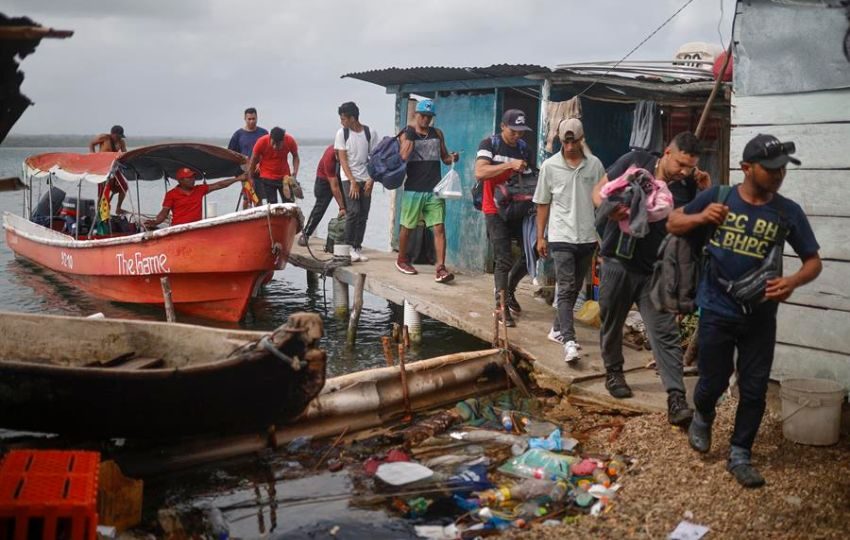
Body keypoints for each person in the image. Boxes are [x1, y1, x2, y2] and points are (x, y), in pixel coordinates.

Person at [668, 134, 821, 488]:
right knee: (713, 382)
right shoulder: (718, 197)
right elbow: (673, 222)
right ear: (747, 168)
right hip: (718, 311)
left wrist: (794, 281)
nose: (778, 175)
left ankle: (740, 453)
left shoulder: (786, 212)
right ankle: (703, 415)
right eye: (770, 169)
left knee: (753, 389)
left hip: (761, 317)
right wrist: (701, 216)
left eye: (782, 169)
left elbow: (813, 261)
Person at [591, 131, 711, 426]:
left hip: (655, 270)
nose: (683, 172)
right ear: (668, 152)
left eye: (690, 167)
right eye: (681, 164)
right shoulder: (635, 162)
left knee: (665, 332)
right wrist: (611, 209)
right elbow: (597, 193)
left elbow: (689, 225)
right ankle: (614, 372)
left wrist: (707, 192)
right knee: (612, 322)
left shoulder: (687, 186)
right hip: (618, 261)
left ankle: (676, 397)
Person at [534, 118, 604, 363]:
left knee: (573, 287)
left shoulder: (595, 165)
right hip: (560, 236)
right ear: (561, 141)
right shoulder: (550, 167)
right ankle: (570, 341)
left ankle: (556, 329)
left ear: (581, 139)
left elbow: (602, 201)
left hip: (586, 237)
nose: (570, 146)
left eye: (574, 141)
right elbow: (543, 203)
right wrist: (540, 237)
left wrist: (603, 238)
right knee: (565, 287)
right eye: (566, 141)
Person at [474, 109, 535, 327]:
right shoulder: (489, 144)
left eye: (521, 132)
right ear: (502, 127)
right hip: (494, 209)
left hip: (519, 208)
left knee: (533, 252)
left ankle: (509, 290)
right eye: (513, 131)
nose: (517, 136)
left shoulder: (524, 149)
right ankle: (501, 307)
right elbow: (480, 172)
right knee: (503, 259)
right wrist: (509, 165)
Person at [396, 99, 459, 282]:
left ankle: (440, 268)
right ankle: (401, 259)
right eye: (423, 116)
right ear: (416, 115)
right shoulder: (407, 133)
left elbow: (445, 158)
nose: (426, 120)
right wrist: (410, 135)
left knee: (439, 227)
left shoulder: (437, 133)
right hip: (413, 189)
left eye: (429, 117)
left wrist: (453, 158)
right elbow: (403, 157)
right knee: (407, 227)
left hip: (434, 189)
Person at [334, 101, 376, 262]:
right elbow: (343, 160)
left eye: (343, 118)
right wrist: (352, 181)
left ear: (352, 118)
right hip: (348, 177)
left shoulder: (369, 132)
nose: (341, 122)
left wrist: (371, 180)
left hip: (366, 178)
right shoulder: (342, 134)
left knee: (364, 213)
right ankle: (348, 246)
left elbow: (376, 158)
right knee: (353, 211)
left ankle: (357, 247)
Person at [145, 167, 244, 228]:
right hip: (178, 229)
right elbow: (164, 212)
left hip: (196, 228)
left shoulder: (199, 189)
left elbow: (219, 185)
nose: (193, 180)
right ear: (180, 181)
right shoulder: (171, 194)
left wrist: (238, 179)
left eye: (193, 177)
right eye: (189, 178)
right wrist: (155, 222)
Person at [298, 144, 346, 245]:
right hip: (324, 180)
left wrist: (344, 207)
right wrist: (341, 207)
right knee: (320, 208)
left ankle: (344, 237)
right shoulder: (329, 156)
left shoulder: (348, 152)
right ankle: (306, 234)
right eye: (338, 155)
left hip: (340, 178)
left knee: (349, 207)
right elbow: (334, 186)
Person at [247, 126, 300, 204]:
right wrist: (250, 177)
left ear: (283, 140)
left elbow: (295, 156)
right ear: (270, 138)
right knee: (272, 204)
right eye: (273, 143)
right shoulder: (261, 142)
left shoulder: (289, 141)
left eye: (278, 144)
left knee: (289, 203)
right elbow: (253, 160)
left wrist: (295, 172)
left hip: (285, 177)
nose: (275, 147)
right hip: (267, 177)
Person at [89, 125, 128, 215]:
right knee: (102, 191)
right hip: (102, 168)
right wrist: (93, 155)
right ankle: (100, 212)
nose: (119, 138)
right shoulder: (104, 138)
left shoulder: (121, 142)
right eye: (118, 136)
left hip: (114, 167)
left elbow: (125, 153)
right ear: (113, 134)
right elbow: (91, 144)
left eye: (121, 136)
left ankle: (118, 208)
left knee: (124, 187)